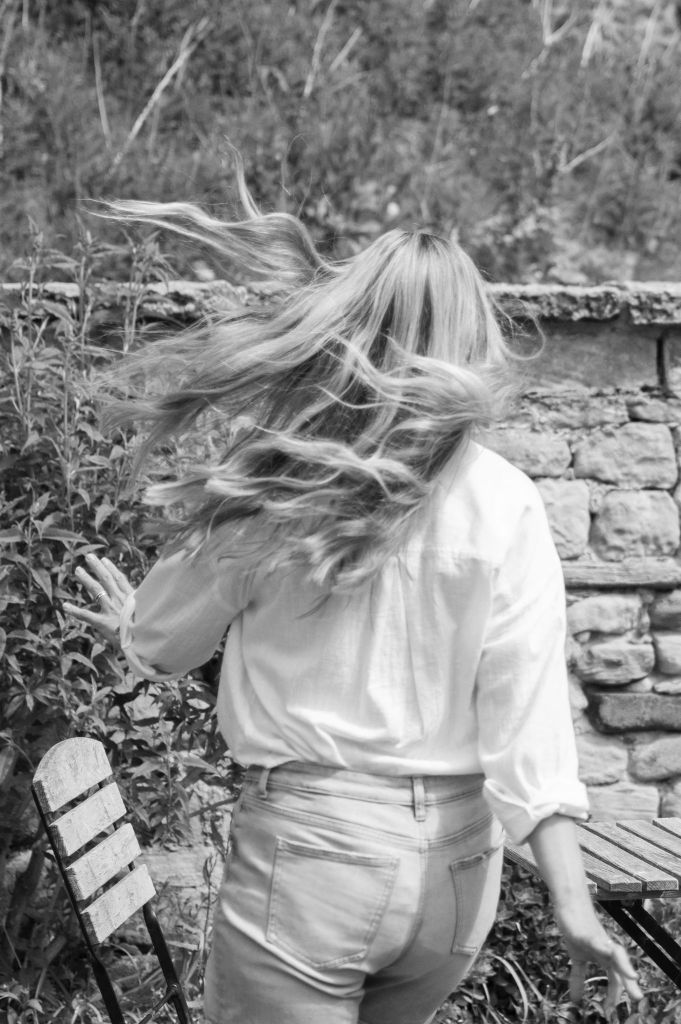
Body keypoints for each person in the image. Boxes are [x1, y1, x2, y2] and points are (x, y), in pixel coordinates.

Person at [63, 158, 642, 1024]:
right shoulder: (506, 501)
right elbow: (529, 727)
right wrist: (570, 901)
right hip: (454, 874)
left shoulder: (283, 479)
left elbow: (163, 642)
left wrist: (131, 629)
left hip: (314, 861)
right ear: (469, 337)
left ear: (353, 327)